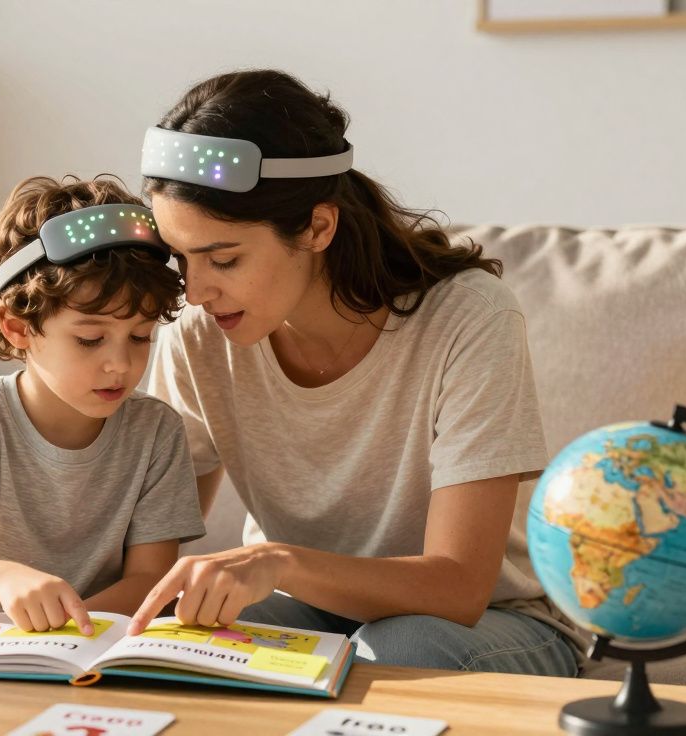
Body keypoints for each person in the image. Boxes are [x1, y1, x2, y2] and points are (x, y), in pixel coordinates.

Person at [127, 70, 584, 676]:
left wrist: (280, 563)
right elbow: (147, 537)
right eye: (180, 258)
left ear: (319, 226)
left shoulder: (469, 319)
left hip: (483, 624)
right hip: (308, 612)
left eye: (224, 258)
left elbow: (460, 588)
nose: (197, 290)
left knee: (399, 653)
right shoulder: (200, 331)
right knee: (180, 644)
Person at [0, 175, 206, 635]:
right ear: (18, 328)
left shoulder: (156, 431)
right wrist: (5, 578)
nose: (120, 363)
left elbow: (149, 578)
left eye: (141, 336)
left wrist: (72, 628)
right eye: (90, 339)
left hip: (87, 632)